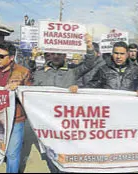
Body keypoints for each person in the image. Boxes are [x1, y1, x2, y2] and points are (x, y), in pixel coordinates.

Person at [32, 34, 96, 173]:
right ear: (48, 54)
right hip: (46, 120)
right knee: (51, 153)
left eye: (59, 54)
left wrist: (89, 47)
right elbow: (29, 88)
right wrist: (32, 57)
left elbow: (89, 64)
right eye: (53, 53)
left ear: (65, 55)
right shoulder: (40, 73)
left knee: (66, 152)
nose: (56, 56)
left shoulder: (72, 71)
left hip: (66, 121)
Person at [0, 41, 32, 173]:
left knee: (13, 153)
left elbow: (29, 95)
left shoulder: (23, 72)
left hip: (15, 119)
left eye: (1, 56)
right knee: (3, 149)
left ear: (11, 57)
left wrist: (19, 88)